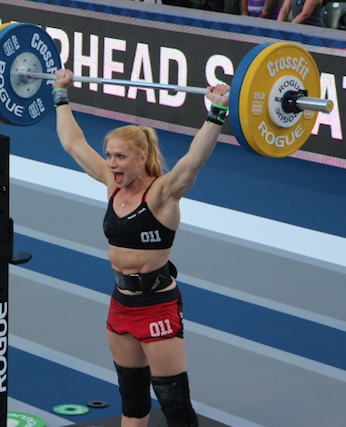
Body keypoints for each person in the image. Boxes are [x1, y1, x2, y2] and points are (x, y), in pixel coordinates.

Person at [52, 70, 229, 427]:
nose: (111, 163)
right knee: (132, 404)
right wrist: (60, 94)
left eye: (119, 157)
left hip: (157, 306)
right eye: (109, 156)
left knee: (174, 405)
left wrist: (217, 112)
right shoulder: (111, 184)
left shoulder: (162, 194)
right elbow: (73, 143)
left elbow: (193, 161)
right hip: (121, 304)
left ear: (140, 157)